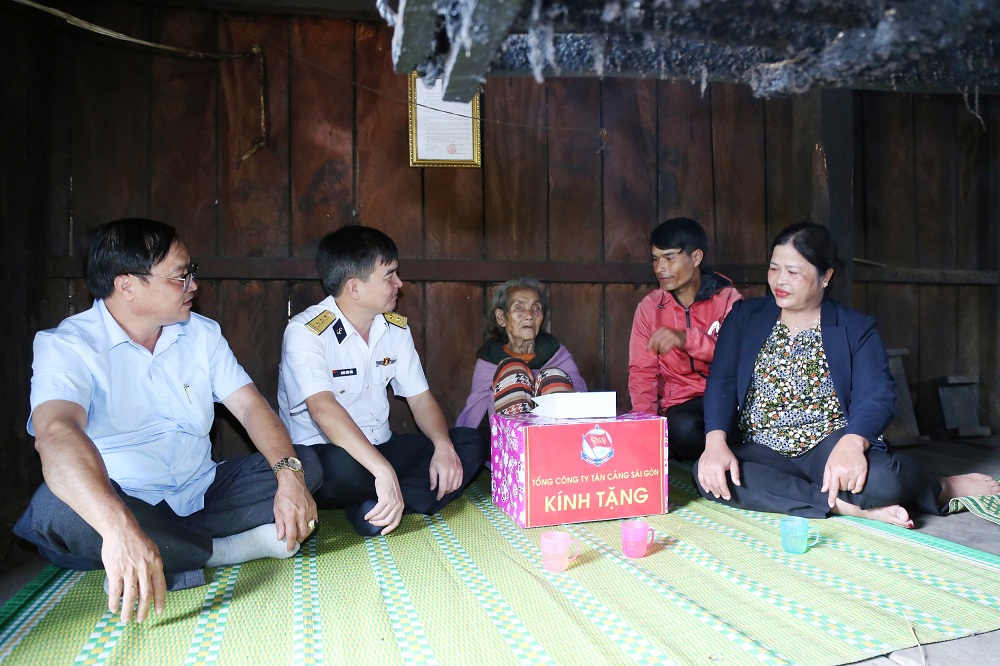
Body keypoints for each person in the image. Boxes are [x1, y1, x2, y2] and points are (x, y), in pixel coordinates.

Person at [13, 218, 321, 625]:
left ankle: (164, 550)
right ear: (127, 286)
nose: (193, 285)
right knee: (57, 510)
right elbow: (56, 433)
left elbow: (250, 407)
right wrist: (119, 526)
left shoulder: (202, 334)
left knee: (306, 462)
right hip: (122, 500)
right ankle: (222, 550)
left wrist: (289, 476)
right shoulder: (67, 345)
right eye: (180, 276)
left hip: (202, 493)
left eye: (191, 272)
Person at [695, 221, 1000, 525]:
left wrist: (853, 443)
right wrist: (715, 444)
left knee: (885, 482)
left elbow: (876, 393)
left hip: (830, 444)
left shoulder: (856, 327)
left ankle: (942, 487)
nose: (780, 280)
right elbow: (721, 381)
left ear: (825, 276)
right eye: (774, 269)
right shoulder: (745, 317)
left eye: (793, 272)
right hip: (762, 447)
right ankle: (846, 507)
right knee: (708, 475)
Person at [278, 225, 487, 537]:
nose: (399, 283)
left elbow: (420, 398)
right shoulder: (306, 332)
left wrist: (442, 446)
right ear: (354, 288)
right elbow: (322, 409)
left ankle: (377, 505)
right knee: (332, 468)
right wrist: (382, 470)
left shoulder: (395, 329)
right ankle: (392, 495)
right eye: (389, 276)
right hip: (330, 452)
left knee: (467, 443)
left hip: (382, 447)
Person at [628, 217, 742, 460]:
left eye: (669, 258)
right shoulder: (650, 308)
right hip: (681, 404)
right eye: (655, 259)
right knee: (684, 432)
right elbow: (642, 373)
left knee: (740, 427)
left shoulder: (728, 300)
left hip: (726, 396)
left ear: (696, 257)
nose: (660, 268)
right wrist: (645, 427)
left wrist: (687, 340)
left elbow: (737, 357)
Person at [456, 277, 587, 430]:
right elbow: (478, 413)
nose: (530, 315)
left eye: (536, 308)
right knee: (512, 369)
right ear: (501, 317)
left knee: (553, 377)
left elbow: (579, 401)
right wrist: (512, 386)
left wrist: (542, 385)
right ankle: (517, 442)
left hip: (552, 435)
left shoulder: (556, 354)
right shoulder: (490, 358)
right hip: (498, 436)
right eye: (519, 308)